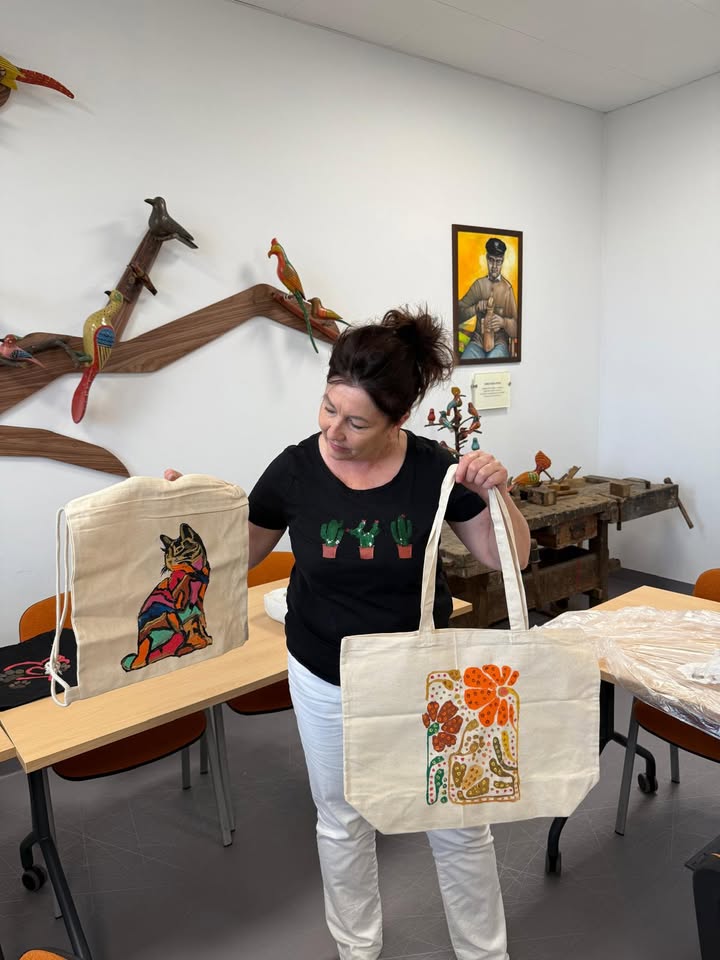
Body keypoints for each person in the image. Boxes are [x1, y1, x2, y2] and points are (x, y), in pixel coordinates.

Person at [167, 308, 530, 960]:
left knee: (459, 820)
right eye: (328, 408)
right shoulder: (294, 471)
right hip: (325, 674)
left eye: (356, 422)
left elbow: (511, 558)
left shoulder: (434, 469)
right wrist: (186, 513)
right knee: (343, 820)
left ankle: (485, 954)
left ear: (399, 419)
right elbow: (235, 556)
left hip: (426, 677)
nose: (333, 431)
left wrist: (497, 492)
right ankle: (357, 950)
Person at [457, 238, 518, 360]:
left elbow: (517, 327)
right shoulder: (478, 285)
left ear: (502, 261)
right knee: (466, 359)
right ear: (486, 258)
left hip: (499, 344)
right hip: (477, 342)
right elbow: (457, 313)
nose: (494, 266)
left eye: (498, 261)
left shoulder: (507, 289)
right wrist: (475, 308)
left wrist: (504, 322)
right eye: (491, 260)